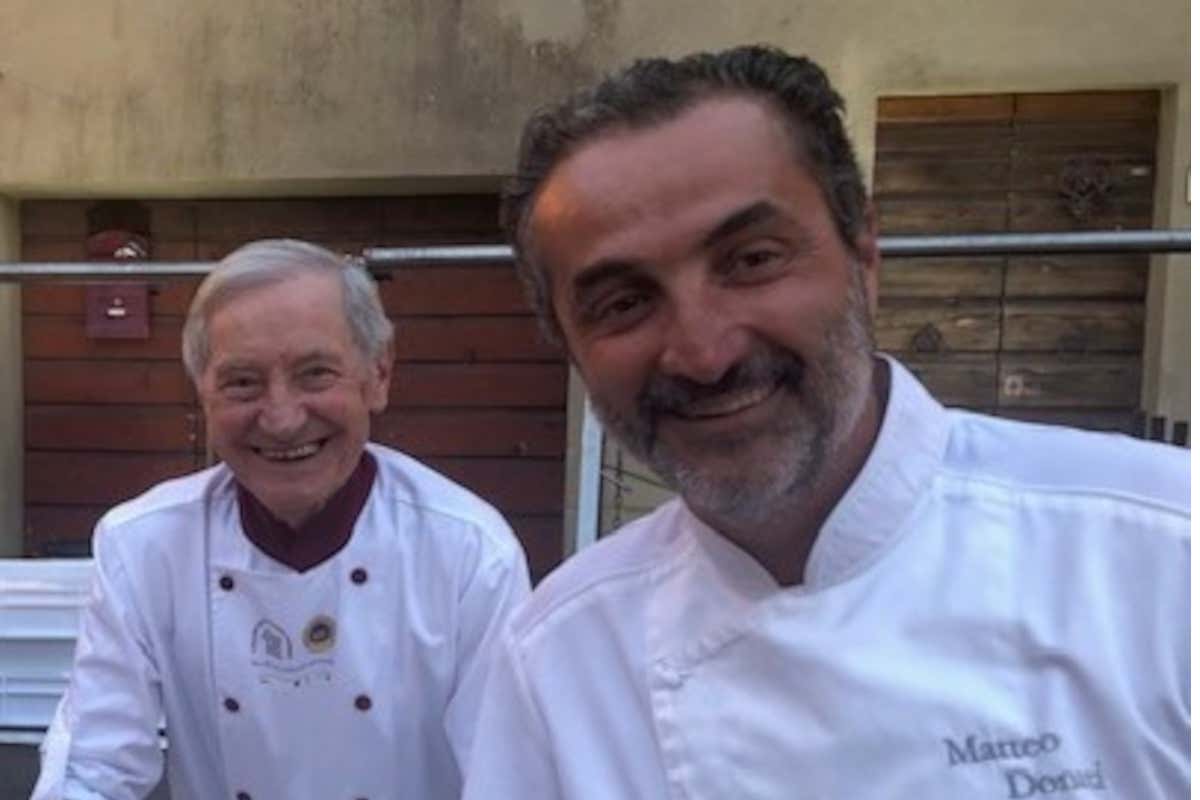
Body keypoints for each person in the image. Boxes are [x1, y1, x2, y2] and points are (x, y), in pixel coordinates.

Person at [463, 45, 1189, 798]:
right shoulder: (560, 659)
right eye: (622, 303)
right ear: (568, 347)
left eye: (751, 260)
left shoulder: (1162, 553)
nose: (704, 353)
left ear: (864, 254)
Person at [33, 239, 531, 800]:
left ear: (378, 377)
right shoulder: (143, 545)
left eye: (315, 374)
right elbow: (94, 767)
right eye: (242, 382)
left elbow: (508, 779)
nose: (282, 418)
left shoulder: (468, 551)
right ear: (203, 394)